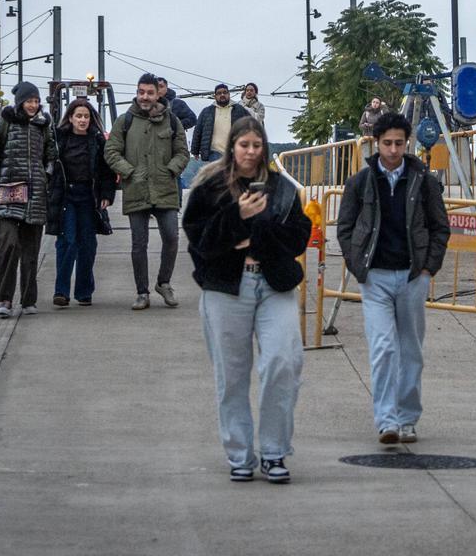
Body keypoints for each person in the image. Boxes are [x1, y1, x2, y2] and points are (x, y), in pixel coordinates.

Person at [182, 116, 311, 483]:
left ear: (265, 148)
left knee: (282, 363)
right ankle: (239, 453)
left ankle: (274, 451)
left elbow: (298, 237)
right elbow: (200, 241)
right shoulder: (210, 187)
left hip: (274, 286)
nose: (251, 152)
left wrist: (259, 232)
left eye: (257, 146)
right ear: (232, 147)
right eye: (244, 145)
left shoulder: (283, 189)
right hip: (226, 288)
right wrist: (237, 217)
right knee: (232, 374)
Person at [337, 112, 451, 445]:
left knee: (410, 350)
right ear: (376, 143)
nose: (392, 150)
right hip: (375, 278)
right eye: (386, 143)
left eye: (399, 143)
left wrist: (429, 268)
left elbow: (439, 226)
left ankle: (407, 418)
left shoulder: (424, 181)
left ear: (407, 142)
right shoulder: (360, 182)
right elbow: (345, 228)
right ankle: (387, 420)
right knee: (383, 347)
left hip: (413, 276)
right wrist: (357, 265)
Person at [0, 82, 58, 318]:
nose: (33, 105)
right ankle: (4, 299)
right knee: (9, 244)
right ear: (20, 102)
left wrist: (46, 175)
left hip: (36, 196)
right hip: (9, 193)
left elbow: (52, 155)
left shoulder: (44, 124)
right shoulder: (5, 122)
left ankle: (29, 300)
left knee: (31, 251)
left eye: (35, 101)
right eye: (29, 101)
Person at [105, 73, 190, 311]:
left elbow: (183, 152)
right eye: (141, 92)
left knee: (172, 237)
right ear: (137, 92)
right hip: (137, 188)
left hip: (165, 188)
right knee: (138, 244)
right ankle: (142, 292)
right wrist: (128, 172)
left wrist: (170, 171)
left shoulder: (172, 121)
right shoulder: (125, 121)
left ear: (158, 94)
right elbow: (111, 151)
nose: (145, 96)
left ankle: (164, 283)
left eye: (149, 92)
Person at [46, 99, 117, 307]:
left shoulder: (97, 140)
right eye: (78, 116)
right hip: (66, 196)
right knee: (67, 241)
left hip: (89, 197)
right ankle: (61, 291)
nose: (82, 120)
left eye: (86, 116)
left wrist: (106, 194)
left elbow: (106, 171)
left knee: (87, 243)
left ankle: (84, 291)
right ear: (70, 118)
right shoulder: (59, 139)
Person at [192, 83, 250, 162]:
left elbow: (251, 127)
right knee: (219, 174)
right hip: (214, 153)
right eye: (219, 93)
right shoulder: (207, 112)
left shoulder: (239, 110)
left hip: (235, 152)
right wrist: (195, 150)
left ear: (229, 94)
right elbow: (198, 130)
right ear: (215, 96)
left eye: (225, 92)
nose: (222, 95)